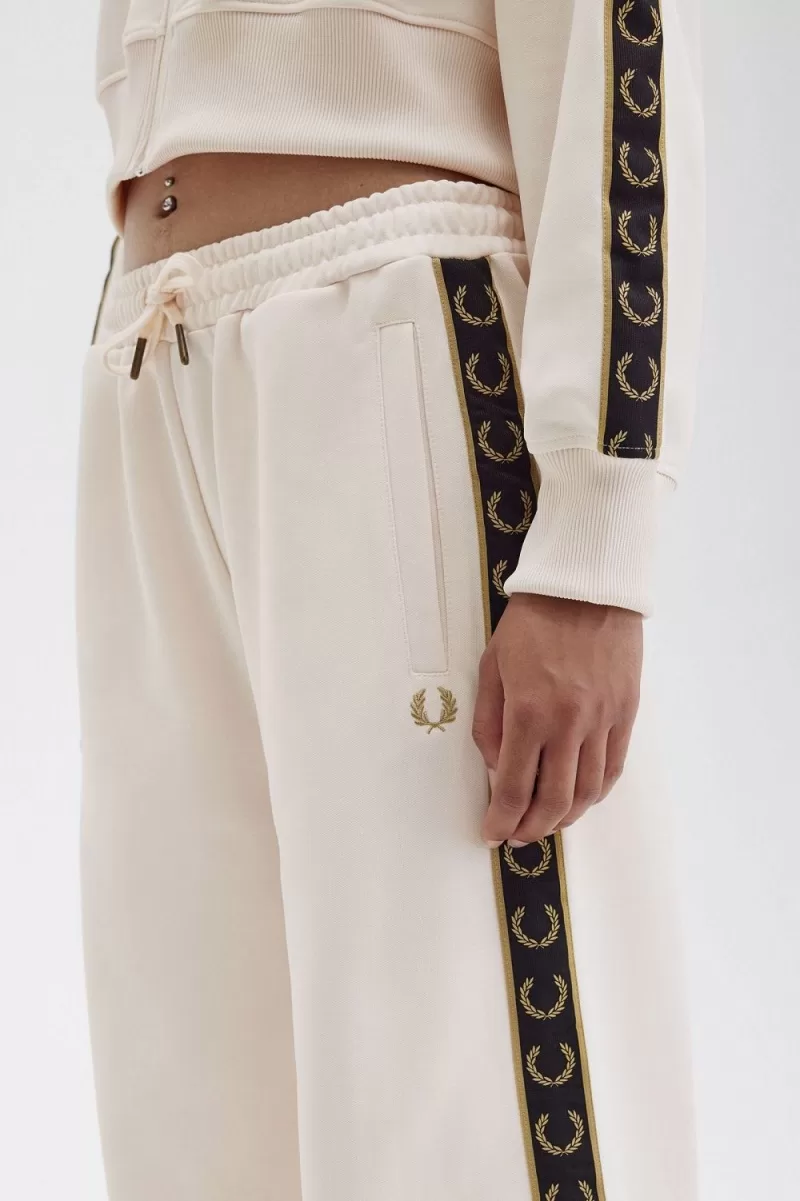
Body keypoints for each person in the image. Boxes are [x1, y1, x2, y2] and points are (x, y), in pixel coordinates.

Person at [77, 2, 705, 1199]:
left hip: (390, 325)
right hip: (151, 357)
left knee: (458, 1102)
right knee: (193, 1110)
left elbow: (613, 39)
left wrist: (595, 533)